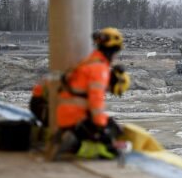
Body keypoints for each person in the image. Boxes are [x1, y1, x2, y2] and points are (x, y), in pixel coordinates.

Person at [48, 27, 130, 160]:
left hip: (65, 114)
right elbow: (96, 102)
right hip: (76, 117)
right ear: (113, 50)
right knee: (111, 150)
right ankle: (75, 146)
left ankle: (71, 140)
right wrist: (102, 128)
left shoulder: (89, 61)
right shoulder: (99, 69)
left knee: (108, 128)